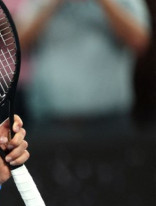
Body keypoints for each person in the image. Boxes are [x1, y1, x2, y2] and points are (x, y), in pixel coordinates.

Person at [17, 0, 151, 136]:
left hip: (110, 120)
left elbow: (140, 41)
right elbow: (19, 42)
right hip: (50, 120)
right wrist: (52, 4)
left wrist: (105, 3)